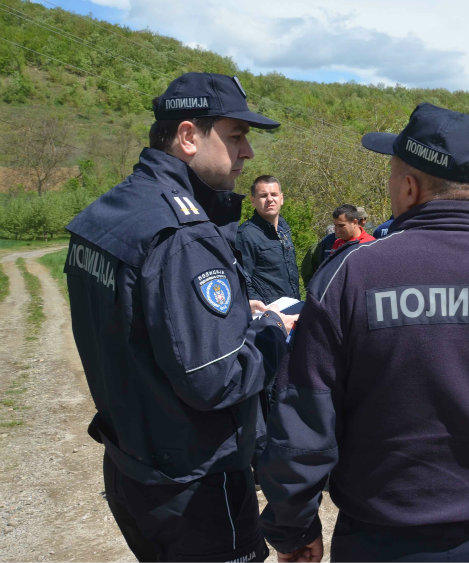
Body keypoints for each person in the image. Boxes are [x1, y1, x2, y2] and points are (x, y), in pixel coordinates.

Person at [258, 102, 469, 562]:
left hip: (381, 541)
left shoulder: (350, 276)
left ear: (408, 186)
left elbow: (303, 418)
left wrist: (294, 526)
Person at [63, 72, 297, 562]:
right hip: (196, 484)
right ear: (188, 136)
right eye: (236, 136)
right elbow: (217, 379)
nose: (248, 152)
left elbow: (142, 323)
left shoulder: (111, 212)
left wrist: (234, 314)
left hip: (133, 462)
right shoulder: (183, 234)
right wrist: (272, 329)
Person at [237, 175, 301, 304]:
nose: (270, 199)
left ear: (281, 199)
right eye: (263, 195)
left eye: (274, 194)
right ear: (253, 201)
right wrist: (260, 307)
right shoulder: (246, 235)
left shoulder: (284, 230)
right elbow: (241, 279)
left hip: (291, 307)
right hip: (267, 311)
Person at [300, 204, 375, 286]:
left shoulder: (370, 244)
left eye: (341, 226)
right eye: (335, 225)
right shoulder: (338, 242)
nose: (337, 230)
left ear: (354, 223)